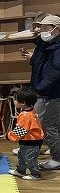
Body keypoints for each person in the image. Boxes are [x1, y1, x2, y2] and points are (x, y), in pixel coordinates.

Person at [25, 14, 60, 170]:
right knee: (37, 120)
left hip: (54, 93)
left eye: (45, 28)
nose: (41, 30)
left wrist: (39, 88)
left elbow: (55, 72)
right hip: (42, 91)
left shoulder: (57, 48)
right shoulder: (44, 44)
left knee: (50, 125)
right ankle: (32, 148)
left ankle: (57, 158)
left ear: (56, 29)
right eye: (40, 27)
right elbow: (37, 64)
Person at [8, 87, 44, 180]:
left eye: (15, 100)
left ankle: (35, 174)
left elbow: (20, 130)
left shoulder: (25, 115)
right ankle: (20, 170)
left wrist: (9, 136)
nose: (14, 101)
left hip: (31, 141)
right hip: (31, 140)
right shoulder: (31, 110)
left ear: (23, 103)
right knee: (22, 155)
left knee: (29, 158)